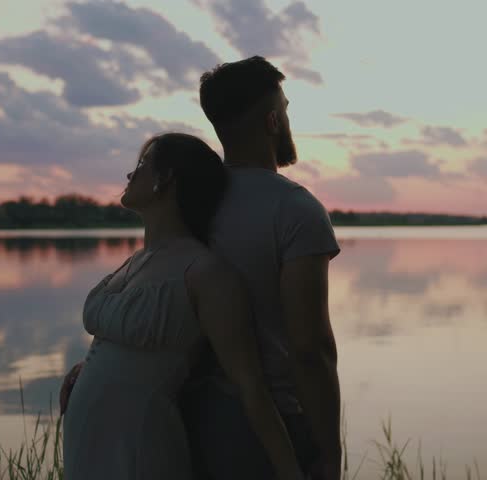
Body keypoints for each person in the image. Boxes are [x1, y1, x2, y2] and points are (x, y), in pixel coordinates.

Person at [62, 56, 342, 480]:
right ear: (272, 121)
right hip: (266, 424)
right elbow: (311, 349)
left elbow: (163, 301)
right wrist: (328, 449)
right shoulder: (296, 209)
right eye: (285, 110)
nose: (286, 120)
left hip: (184, 413)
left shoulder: (188, 201)